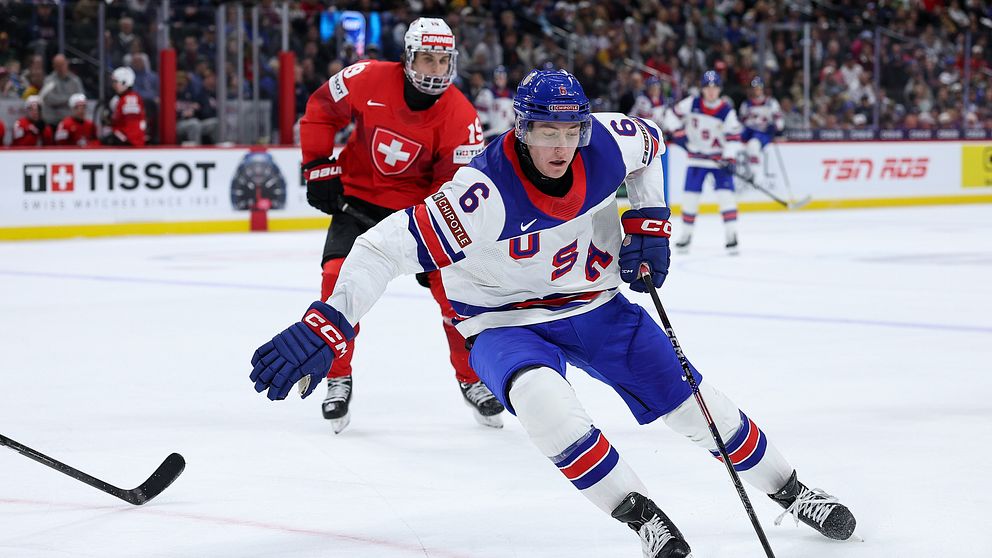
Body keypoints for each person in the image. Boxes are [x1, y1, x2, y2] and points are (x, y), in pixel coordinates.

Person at [249, 68, 857, 557]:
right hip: (501, 320)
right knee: (546, 406)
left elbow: (651, 142)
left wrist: (649, 220)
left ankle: (793, 491)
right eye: (547, 132)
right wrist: (331, 320)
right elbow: (382, 248)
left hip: (595, 304)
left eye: (572, 131)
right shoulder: (481, 196)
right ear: (521, 130)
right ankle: (641, 515)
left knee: (699, 409)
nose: (562, 146)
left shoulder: (608, 142)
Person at [298, 17, 500, 433]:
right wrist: (317, 165)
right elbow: (320, 110)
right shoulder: (366, 76)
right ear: (408, 58)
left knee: (456, 295)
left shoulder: (462, 117)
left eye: (442, 61)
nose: (435, 69)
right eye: (427, 59)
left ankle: (471, 377)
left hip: (419, 214)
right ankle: (338, 374)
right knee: (337, 282)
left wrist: (437, 238)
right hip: (357, 201)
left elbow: (453, 187)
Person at [664, 70, 743, 254]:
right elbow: (671, 115)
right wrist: (678, 133)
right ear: (702, 88)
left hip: (718, 161)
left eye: (714, 87)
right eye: (708, 87)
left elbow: (733, 138)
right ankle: (686, 236)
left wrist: (730, 158)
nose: (711, 91)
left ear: (720, 89)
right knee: (690, 199)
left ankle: (731, 235)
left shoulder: (726, 111)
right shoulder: (692, 103)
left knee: (726, 198)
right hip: (696, 160)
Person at [738, 77, 784, 190]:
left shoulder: (770, 103)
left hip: (763, 132)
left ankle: (756, 176)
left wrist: (775, 126)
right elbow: (740, 122)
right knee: (736, 145)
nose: (756, 91)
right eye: (754, 88)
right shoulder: (746, 104)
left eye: (758, 88)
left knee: (753, 145)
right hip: (749, 131)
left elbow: (779, 121)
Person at [103, 66, 146, 147]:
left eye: (116, 82)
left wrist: (120, 138)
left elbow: (132, 129)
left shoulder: (131, 100)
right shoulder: (120, 99)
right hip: (125, 142)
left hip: (129, 145)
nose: (113, 85)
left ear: (124, 82)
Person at [474, 65, 515, 143]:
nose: (500, 80)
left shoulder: (512, 95)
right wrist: (485, 130)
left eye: (502, 78)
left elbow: (514, 117)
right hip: (492, 134)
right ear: (493, 78)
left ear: (507, 79)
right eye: (498, 77)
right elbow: (480, 115)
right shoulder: (486, 93)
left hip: (508, 134)